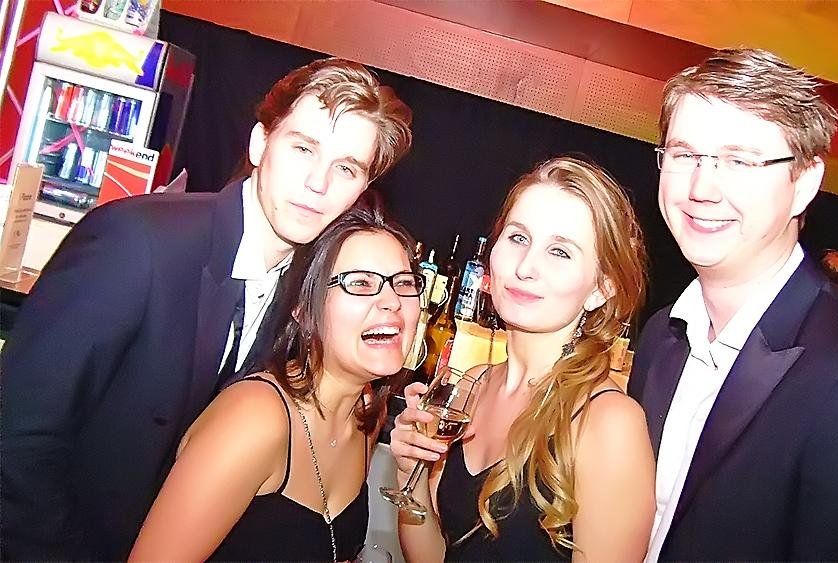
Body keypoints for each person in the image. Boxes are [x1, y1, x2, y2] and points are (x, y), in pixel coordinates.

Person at [0, 57, 412, 560]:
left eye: (346, 168)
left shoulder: (304, 296)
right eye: (303, 148)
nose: (318, 183)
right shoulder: (140, 243)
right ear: (260, 144)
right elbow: (17, 438)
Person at [628, 48, 838, 560]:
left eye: (739, 161)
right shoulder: (664, 334)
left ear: (805, 182)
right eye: (684, 155)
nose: (702, 188)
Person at [389, 157, 655, 561]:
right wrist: (412, 473)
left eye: (560, 252)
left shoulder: (608, 422)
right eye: (517, 238)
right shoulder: (472, 385)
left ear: (601, 289)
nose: (526, 267)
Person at [130, 200, 423, 561]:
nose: (392, 301)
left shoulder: (366, 413)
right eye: (360, 283)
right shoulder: (255, 419)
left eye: (404, 283)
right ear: (303, 309)